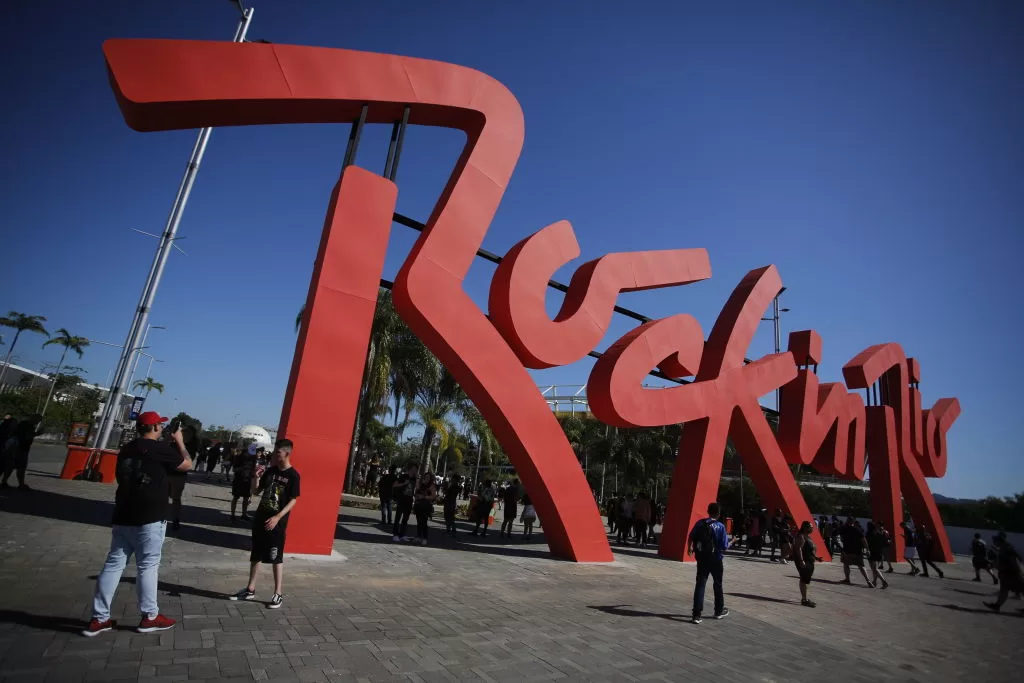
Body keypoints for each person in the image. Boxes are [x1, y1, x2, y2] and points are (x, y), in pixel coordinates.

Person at [82, 412, 192, 636]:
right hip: (150, 517)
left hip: (123, 513)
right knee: (148, 566)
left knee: (113, 565)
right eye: (159, 425)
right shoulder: (159, 449)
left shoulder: (127, 448)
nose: (161, 428)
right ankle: (150, 616)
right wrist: (179, 442)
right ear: (152, 428)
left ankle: (99, 618)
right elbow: (187, 464)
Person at [229, 439, 300, 609]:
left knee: (276, 558)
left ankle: (278, 593)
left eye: (278, 452)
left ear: (287, 453)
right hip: (260, 518)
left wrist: (278, 517)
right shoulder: (270, 471)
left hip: (277, 523)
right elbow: (255, 491)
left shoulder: (293, 476)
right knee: (256, 555)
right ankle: (250, 589)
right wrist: (256, 476)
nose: (275, 455)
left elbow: (293, 500)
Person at [688, 502, 730, 624]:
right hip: (716, 559)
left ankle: (696, 615)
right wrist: (731, 541)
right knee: (717, 584)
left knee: (700, 585)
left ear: (708, 511)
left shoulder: (700, 523)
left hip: (702, 558)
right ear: (718, 513)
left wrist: (689, 548)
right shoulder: (720, 526)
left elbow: (691, 536)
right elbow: (724, 546)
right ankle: (718, 611)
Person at [984, 532, 1024, 613]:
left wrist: (1020, 573)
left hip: (1012, 574)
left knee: (1021, 588)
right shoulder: (1004, 548)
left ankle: (997, 605)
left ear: (1000, 541)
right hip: (1007, 573)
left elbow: (1015, 560)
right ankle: (997, 605)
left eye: (996, 540)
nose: (995, 542)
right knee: (1004, 590)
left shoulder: (1007, 549)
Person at [1, 414, 42, 490]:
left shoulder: (24, 424)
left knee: (11, 466)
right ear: (33, 418)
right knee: (20, 467)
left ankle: (4, 482)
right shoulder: (27, 425)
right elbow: (27, 436)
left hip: (18, 448)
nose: (38, 422)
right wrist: (36, 434)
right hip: (21, 448)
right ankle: (21, 484)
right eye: (37, 420)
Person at [838, 516, 873, 587]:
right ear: (853, 522)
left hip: (847, 550)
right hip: (857, 551)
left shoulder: (844, 529)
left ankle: (847, 579)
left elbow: (841, 539)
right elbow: (864, 540)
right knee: (861, 566)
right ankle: (868, 580)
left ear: (847, 521)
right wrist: (867, 549)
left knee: (846, 564)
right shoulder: (858, 529)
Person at [792, 521, 819, 607]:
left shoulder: (808, 537)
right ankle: (804, 600)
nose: (812, 528)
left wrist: (816, 557)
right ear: (805, 527)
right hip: (804, 561)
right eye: (810, 527)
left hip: (809, 561)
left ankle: (805, 598)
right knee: (804, 580)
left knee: (806, 580)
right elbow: (798, 548)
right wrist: (801, 561)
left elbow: (812, 550)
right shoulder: (801, 536)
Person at [231, 444, 258, 524]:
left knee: (246, 498)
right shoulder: (239, 457)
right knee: (236, 497)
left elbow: (253, 469)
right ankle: (233, 514)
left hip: (247, 480)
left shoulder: (253, 459)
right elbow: (234, 469)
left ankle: (244, 514)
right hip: (239, 480)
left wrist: (254, 474)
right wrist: (242, 468)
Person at [391, 462, 418, 541]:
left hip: (409, 500)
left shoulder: (414, 478)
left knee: (405, 519)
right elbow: (394, 485)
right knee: (398, 517)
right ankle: (395, 534)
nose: (415, 470)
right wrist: (404, 483)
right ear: (410, 469)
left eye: (416, 469)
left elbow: (416, 488)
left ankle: (402, 534)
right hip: (402, 499)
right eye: (414, 469)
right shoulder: (403, 476)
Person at [412, 471, 437, 546]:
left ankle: (425, 538)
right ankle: (418, 536)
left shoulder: (432, 485)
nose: (426, 478)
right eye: (425, 477)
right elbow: (417, 489)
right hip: (419, 505)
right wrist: (417, 480)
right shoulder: (422, 484)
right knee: (419, 522)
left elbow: (434, 496)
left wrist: (424, 497)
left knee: (424, 523)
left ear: (430, 478)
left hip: (426, 506)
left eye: (428, 477)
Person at [865, 522, 890, 589]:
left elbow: (866, 543)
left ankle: (883, 581)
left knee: (874, 568)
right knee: (875, 568)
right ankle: (875, 582)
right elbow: (885, 542)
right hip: (878, 552)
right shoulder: (879, 534)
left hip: (871, 552)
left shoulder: (869, 534)